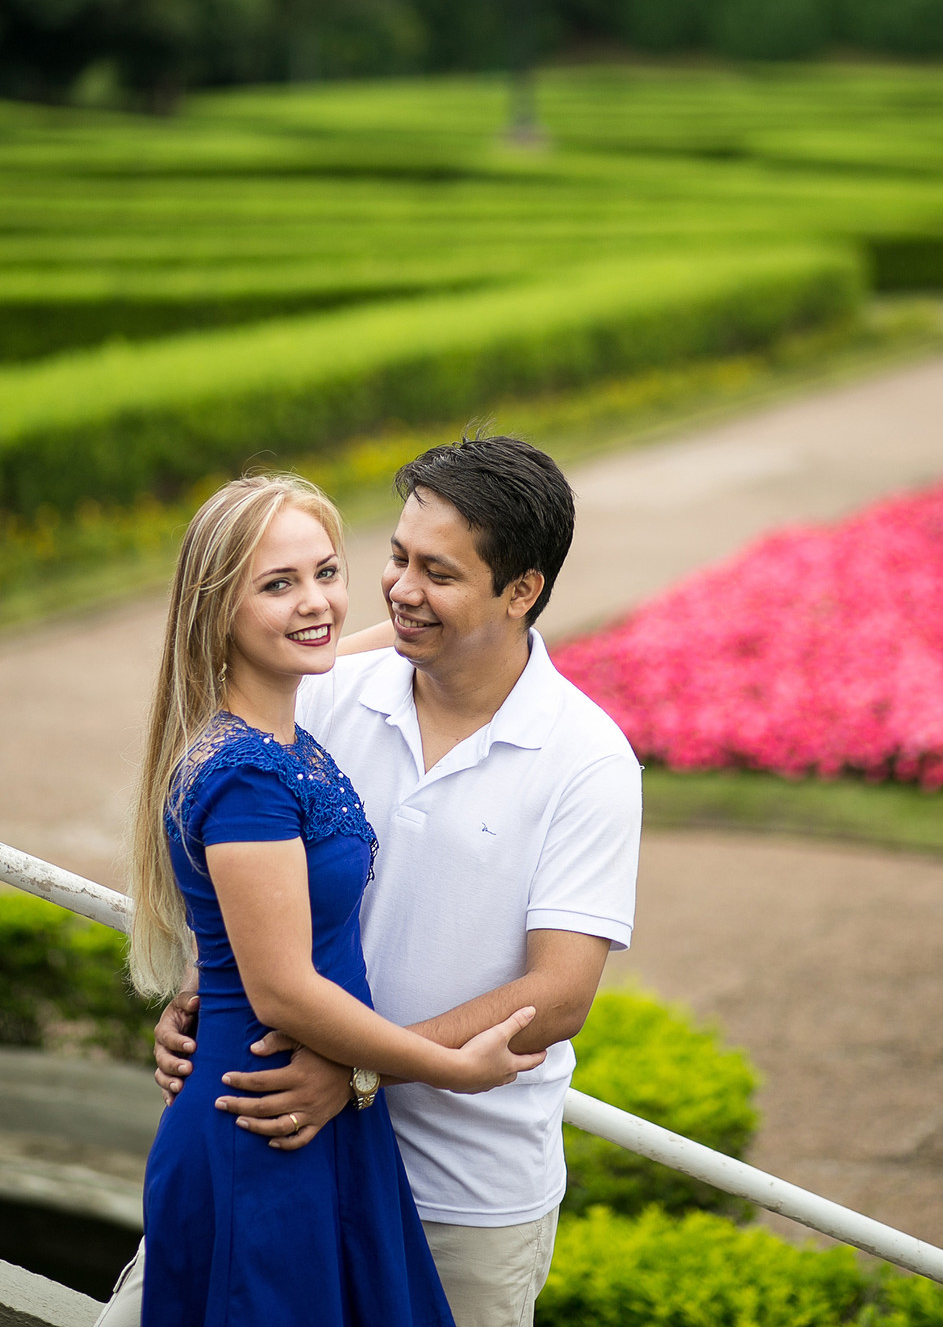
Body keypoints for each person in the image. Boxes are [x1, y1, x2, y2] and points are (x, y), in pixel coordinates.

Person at [104, 435, 643, 1327]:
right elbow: (238, 864)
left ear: (523, 591)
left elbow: (557, 996)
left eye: (438, 571)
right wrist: (212, 991)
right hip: (275, 1136)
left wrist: (356, 1071)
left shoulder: (586, 759)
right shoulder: (323, 686)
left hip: (460, 1190)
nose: (399, 587)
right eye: (396, 557)